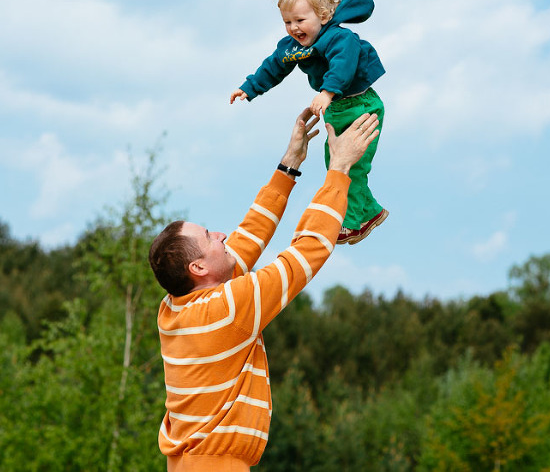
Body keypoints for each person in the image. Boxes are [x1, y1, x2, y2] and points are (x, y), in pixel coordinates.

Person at [148, 107, 380, 471]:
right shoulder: (227, 307)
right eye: (209, 236)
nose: (222, 235)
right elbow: (306, 253)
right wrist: (339, 172)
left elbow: (246, 240)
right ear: (198, 268)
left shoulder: (173, 308)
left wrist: (289, 165)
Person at [230, 0, 388, 245]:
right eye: (287, 22)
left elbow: (344, 64)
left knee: (348, 166)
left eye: (300, 21)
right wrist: (250, 87)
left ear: (324, 15)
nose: (293, 28)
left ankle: (348, 223)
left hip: (361, 106)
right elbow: (274, 66)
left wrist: (327, 92)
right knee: (335, 163)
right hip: (338, 108)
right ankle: (370, 214)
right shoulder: (293, 46)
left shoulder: (339, 37)